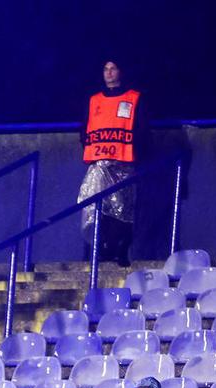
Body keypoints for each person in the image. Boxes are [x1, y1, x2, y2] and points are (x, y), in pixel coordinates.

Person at [78, 59, 144, 266]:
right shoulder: (94, 100)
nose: (109, 73)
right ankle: (99, 249)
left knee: (123, 210)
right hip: (99, 162)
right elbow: (84, 129)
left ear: (121, 72)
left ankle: (120, 250)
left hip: (124, 162)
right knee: (97, 206)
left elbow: (141, 130)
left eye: (113, 68)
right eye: (105, 69)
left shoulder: (133, 98)